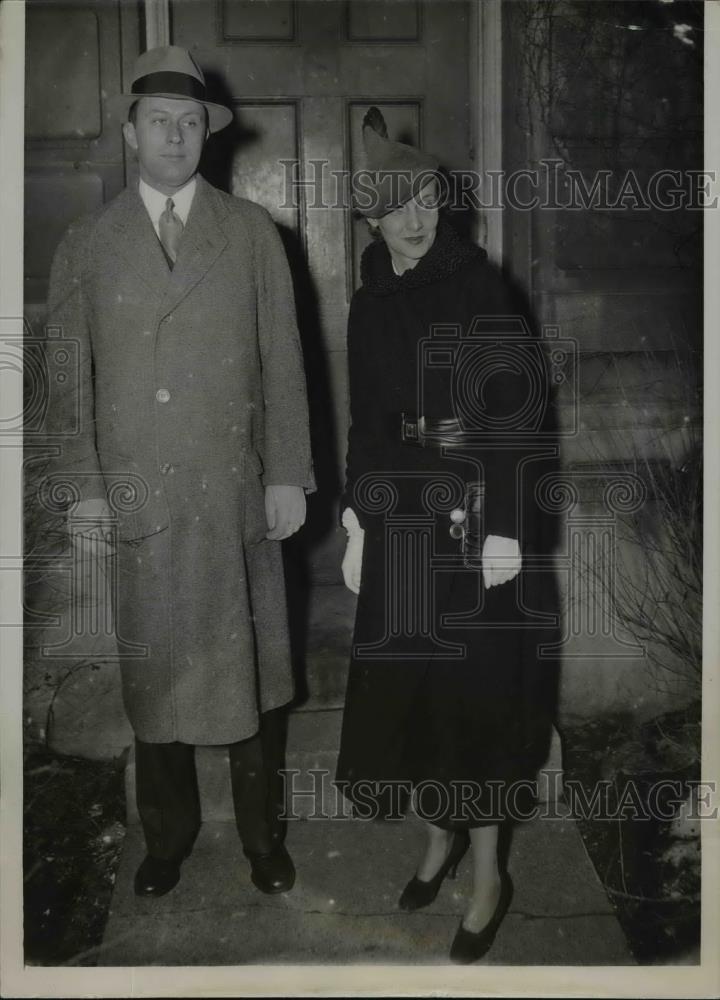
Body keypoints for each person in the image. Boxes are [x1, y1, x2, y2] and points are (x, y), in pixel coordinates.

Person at [43, 46, 315, 899]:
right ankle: (167, 837)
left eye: (190, 122)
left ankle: (264, 841)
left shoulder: (252, 234)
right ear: (130, 134)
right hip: (141, 498)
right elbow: (66, 380)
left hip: (231, 491)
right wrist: (85, 484)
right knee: (156, 680)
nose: (175, 135)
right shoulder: (87, 244)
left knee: (254, 679)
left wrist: (288, 476)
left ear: (208, 135)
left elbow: (284, 364)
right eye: (159, 120)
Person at [335, 108, 557, 963]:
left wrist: (507, 526)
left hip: (480, 525)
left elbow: (520, 417)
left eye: (425, 195)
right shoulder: (368, 303)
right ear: (371, 218)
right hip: (403, 523)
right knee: (414, 699)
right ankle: (441, 834)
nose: (416, 216)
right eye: (396, 205)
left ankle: (491, 871)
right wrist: (359, 515)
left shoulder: (482, 287)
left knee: (481, 704)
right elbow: (366, 424)